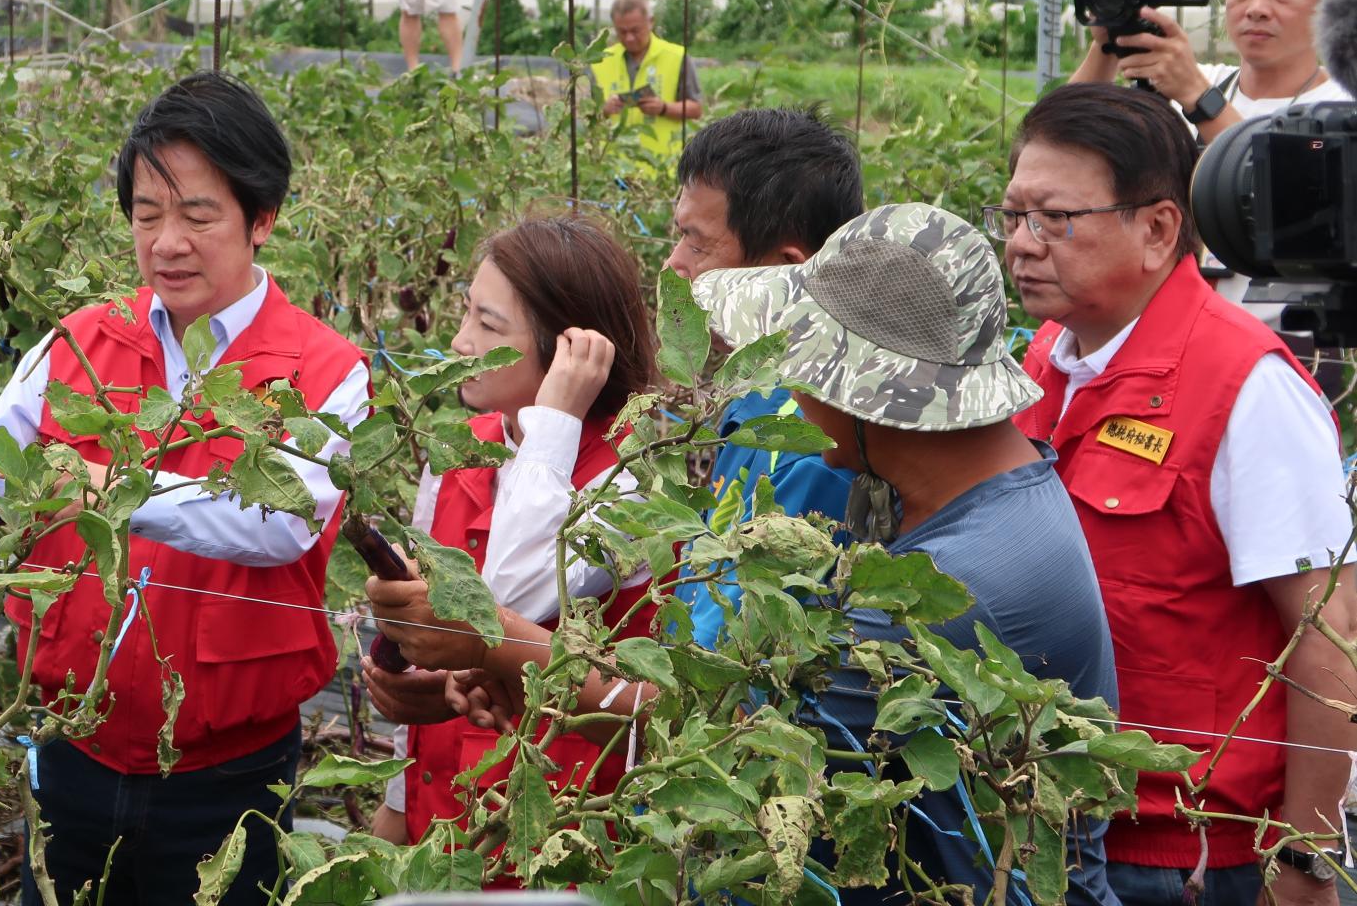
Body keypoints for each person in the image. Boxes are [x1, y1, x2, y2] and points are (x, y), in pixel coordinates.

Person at [369, 203, 1122, 906]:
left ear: (864, 388)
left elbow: (717, 739)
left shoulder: (955, 583)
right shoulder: (957, 499)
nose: (785, 385)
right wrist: (522, 675)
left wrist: (495, 639)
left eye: (798, 360)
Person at [0, 72, 372, 905]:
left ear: (262, 219)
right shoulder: (81, 341)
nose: (166, 242)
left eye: (196, 214)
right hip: (73, 743)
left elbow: (279, 523)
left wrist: (109, 484)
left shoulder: (326, 370)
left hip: (230, 769)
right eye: (146, 215)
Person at [996, 83, 1356, 906]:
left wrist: (1303, 865)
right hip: (1054, 828)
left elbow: (1327, 633)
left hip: (1188, 856)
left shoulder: (1245, 387)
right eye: (1012, 215)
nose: (1021, 244)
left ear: (1157, 228)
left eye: (1055, 219)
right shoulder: (1050, 356)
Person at [361, 212, 658, 848]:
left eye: (488, 325)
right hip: (440, 814)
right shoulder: (460, 455)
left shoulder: (624, 487)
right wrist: (396, 799)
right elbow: (441, 646)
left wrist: (553, 421)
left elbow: (497, 607)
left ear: (568, 350)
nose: (461, 342)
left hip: (552, 837)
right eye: (467, 314)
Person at [1069, 0, 1351, 326]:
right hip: (1183, 340)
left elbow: (1294, 199)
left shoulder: (1341, 106)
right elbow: (1065, 144)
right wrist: (1107, 42)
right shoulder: (1197, 82)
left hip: (1294, 347)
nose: (1256, 7)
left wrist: (1200, 100)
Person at [664, 107, 864, 648]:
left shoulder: (810, 444)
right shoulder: (762, 392)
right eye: (678, 236)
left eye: (697, 244)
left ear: (783, 268)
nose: (672, 265)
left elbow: (717, 665)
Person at [591, 0, 703, 155]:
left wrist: (664, 108)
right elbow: (584, 113)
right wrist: (604, 109)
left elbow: (696, 109)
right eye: (622, 32)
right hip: (613, 168)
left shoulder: (677, 57)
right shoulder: (602, 60)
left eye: (635, 30)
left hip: (662, 168)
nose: (629, 38)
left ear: (650, 22)